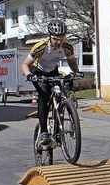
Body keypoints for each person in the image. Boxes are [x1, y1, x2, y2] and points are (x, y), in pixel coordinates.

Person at [21, 19, 79, 148]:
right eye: (55, 38)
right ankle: (44, 132)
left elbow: (72, 62)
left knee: (60, 92)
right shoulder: (40, 47)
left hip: (52, 71)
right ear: (49, 36)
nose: (58, 42)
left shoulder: (67, 48)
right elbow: (25, 65)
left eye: (61, 38)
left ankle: (59, 127)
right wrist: (30, 75)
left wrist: (77, 72)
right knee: (45, 95)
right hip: (38, 71)